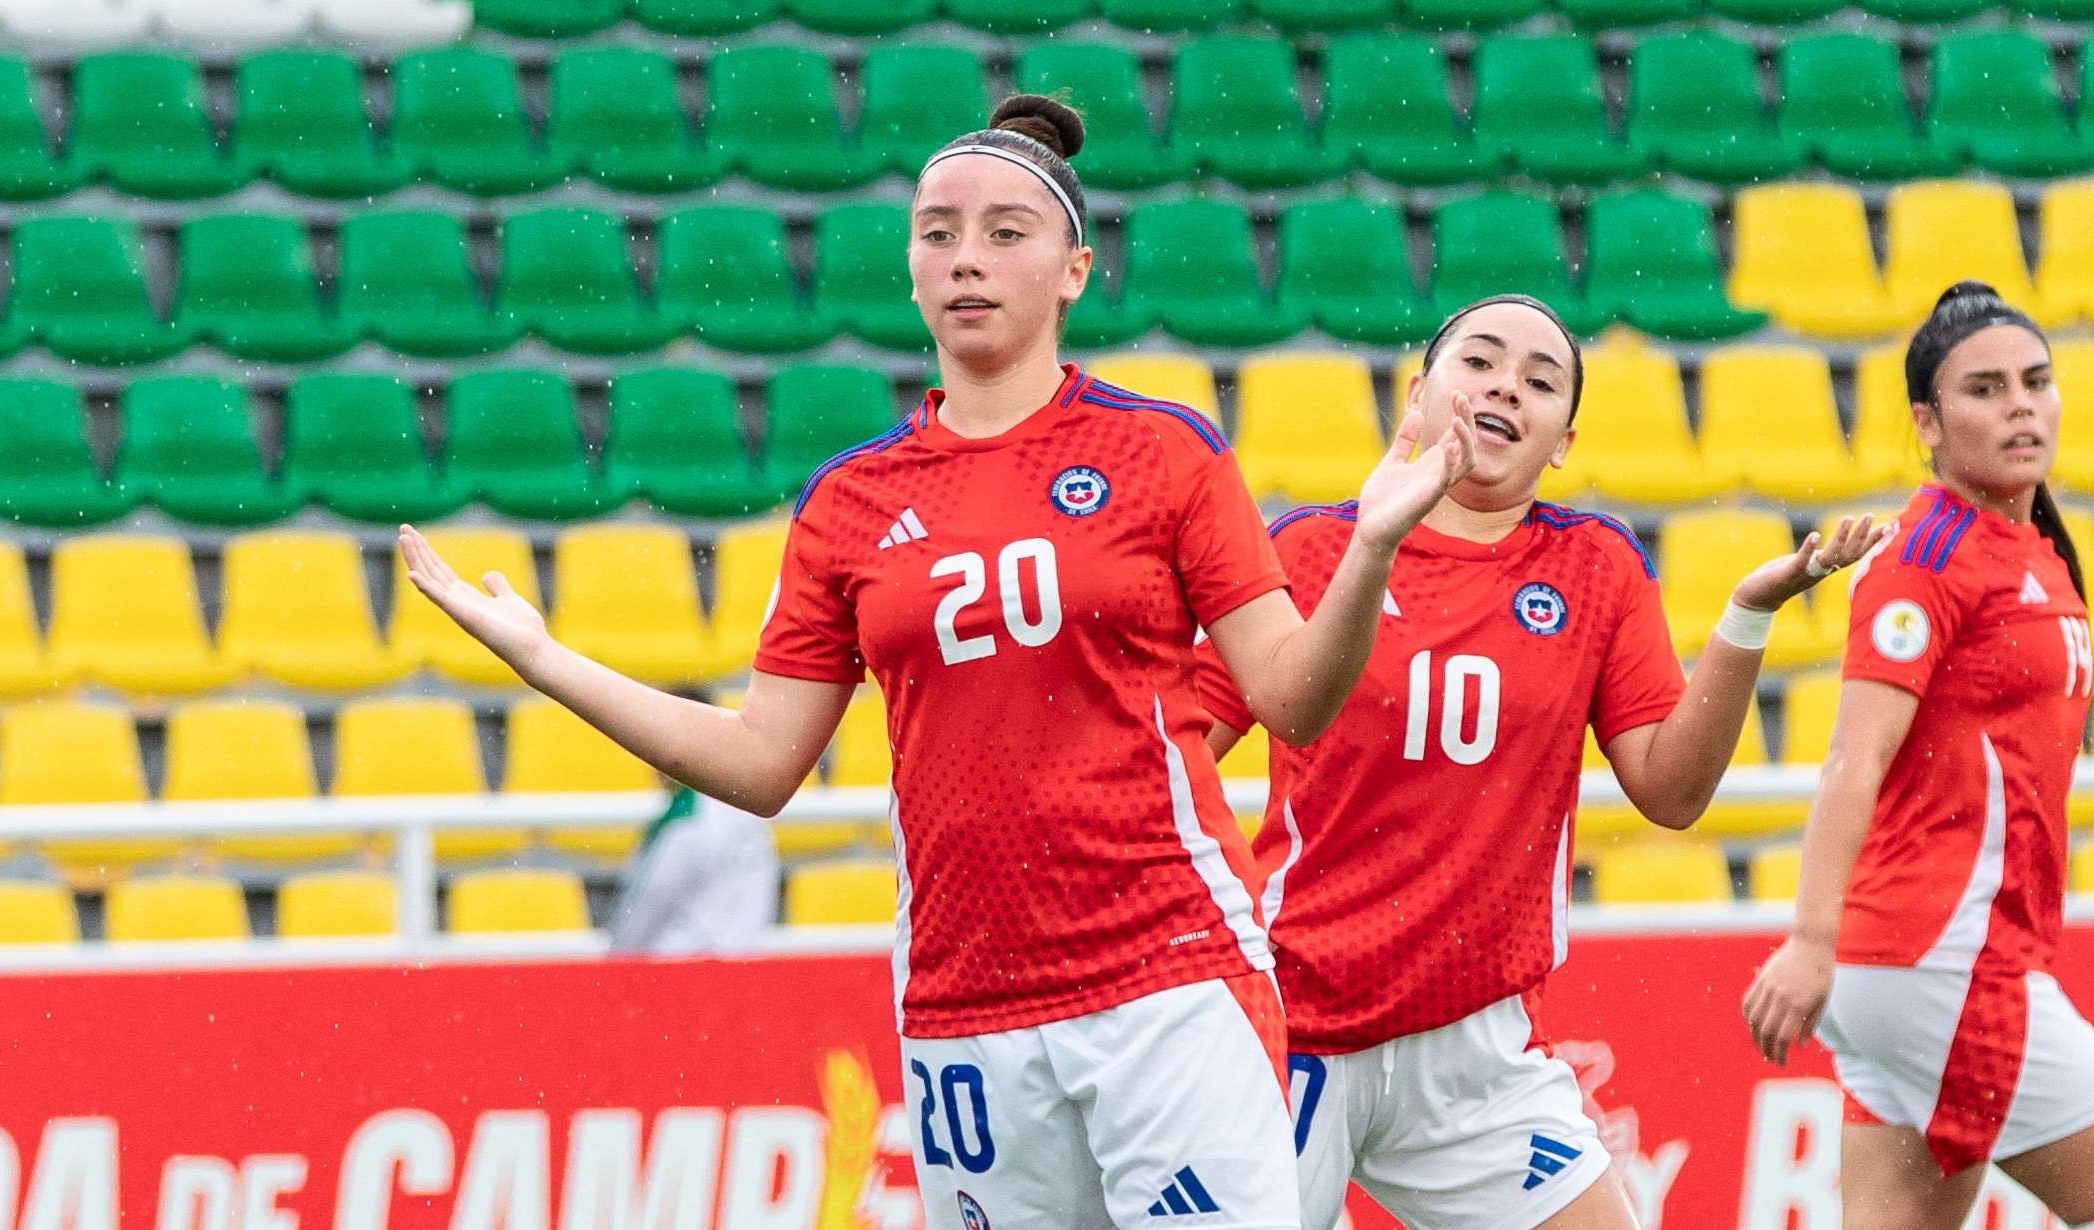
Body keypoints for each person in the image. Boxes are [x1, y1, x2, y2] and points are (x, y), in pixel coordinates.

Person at [398, 94, 1473, 1230]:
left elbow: (1292, 701)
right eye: (938, 231)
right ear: (909, 268)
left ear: (1073, 269)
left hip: (1172, 973)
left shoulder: (1161, 450)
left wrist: (1368, 549)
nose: (967, 258)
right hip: (966, 1009)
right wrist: (543, 659)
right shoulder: (848, 504)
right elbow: (762, 763)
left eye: (1007, 232)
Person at [1192, 294, 1882, 1230]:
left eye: (1540, 379)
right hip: (1291, 1033)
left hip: (1477, 1052)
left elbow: (1672, 793)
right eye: (1478, 362)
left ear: (1561, 441)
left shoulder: (1594, 569)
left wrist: (1747, 615)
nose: (1506, 385)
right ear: (1417, 394)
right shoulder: (1314, 548)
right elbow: (1174, 745)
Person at [1743, 282, 2094, 1230]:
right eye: (1984, 389)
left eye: (2035, 380)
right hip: (1941, 960)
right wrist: (1809, 943)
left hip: (1921, 965)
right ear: (1925, 424)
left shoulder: (2035, 549)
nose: (2020, 404)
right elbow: (1852, 758)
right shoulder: (1927, 555)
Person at [609, 785, 780, 955]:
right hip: (742, 966)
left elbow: (639, 918)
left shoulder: (685, 817)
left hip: (677, 969)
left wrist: (615, 968)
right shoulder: (751, 810)